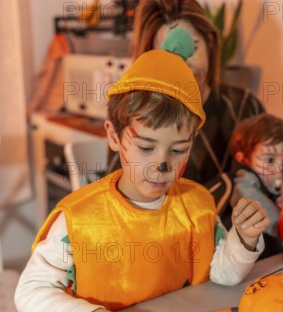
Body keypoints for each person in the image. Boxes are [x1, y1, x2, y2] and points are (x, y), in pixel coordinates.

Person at [15, 30, 270, 312]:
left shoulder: (198, 205)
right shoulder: (78, 220)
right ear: (114, 135)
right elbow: (30, 294)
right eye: (146, 147)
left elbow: (222, 274)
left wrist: (245, 240)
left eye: (179, 149)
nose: (161, 165)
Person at [109, 0, 265, 187]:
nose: (181, 63)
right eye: (166, 53)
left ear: (209, 44)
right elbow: (118, 187)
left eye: (192, 47)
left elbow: (266, 179)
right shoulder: (135, 114)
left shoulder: (246, 107)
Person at [229, 113, 283, 255]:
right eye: (270, 160)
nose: (280, 168)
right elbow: (277, 225)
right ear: (244, 159)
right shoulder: (244, 186)